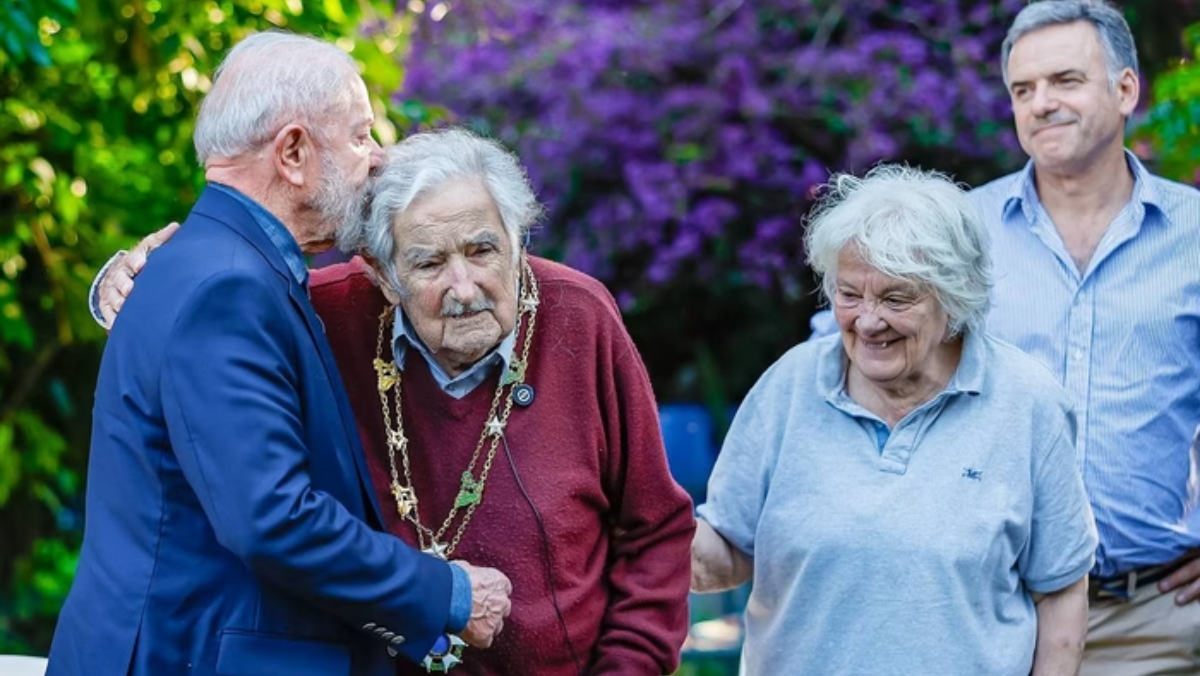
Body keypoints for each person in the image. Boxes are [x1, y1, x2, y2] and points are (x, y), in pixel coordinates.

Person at [90, 127, 695, 676]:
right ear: (382, 273)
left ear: (517, 239)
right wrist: (126, 280)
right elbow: (206, 302)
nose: (464, 287)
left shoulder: (580, 317)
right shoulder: (322, 316)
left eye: (483, 251)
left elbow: (655, 531)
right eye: (429, 262)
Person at [50, 32, 512, 676]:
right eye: (359, 136)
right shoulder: (230, 287)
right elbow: (273, 519)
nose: (377, 160)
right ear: (293, 152)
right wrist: (448, 593)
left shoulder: (217, 266)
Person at [693, 165, 1097, 676]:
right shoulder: (789, 387)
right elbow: (727, 549)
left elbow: (1061, 591)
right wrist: (644, 535)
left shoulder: (1028, 403)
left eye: (895, 297)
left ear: (954, 296)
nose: (867, 320)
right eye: (849, 293)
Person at [978, 1, 1200, 672]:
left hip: (1155, 624)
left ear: (1126, 89)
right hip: (990, 616)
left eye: (1065, 80)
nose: (1041, 103)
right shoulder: (960, 233)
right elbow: (865, 370)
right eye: (1024, 89)